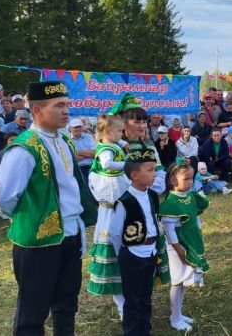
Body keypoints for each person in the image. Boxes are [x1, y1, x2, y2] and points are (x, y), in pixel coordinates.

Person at [0, 81, 98, 336]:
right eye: (59, 106)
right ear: (38, 111)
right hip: (38, 244)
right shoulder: (24, 147)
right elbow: (4, 199)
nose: (66, 111)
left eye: (67, 105)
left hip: (70, 235)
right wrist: (29, 220)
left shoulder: (64, 141)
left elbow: (72, 189)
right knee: (32, 311)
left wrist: (78, 229)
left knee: (66, 306)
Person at [110, 149, 169, 336]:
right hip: (133, 254)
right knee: (133, 299)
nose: (155, 174)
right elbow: (116, 233)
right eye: (150, 170)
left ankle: (145, 330)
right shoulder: (124, 202)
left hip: (150, 252)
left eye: (154, 169)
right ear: (134, 175)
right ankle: (132, 332)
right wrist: (124, 254)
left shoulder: (151, 195)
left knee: (145, 297)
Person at [87, 114, 130, 318]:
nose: (122, 134)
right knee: (112, 240)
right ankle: (122, 305)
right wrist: (127, 165)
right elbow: (107, 165)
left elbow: (120, 143)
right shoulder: (105, 150)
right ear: (106, 132)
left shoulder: (113, 144)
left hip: (118, 197)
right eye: (119, 131)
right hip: (110, 200)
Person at [160, 159, 210, 331]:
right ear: (173, 181)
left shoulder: (189, 196)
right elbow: (170, 231)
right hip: (178, 247)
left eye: (191, 178)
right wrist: (179, 250)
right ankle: (174, 318)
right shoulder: (170, 203)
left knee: (182, 282)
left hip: (190, 242)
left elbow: (196, 213)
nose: (190, 182)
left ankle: (178, 314)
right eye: (186, 179)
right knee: (177, 280)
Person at [114, 94, 167, 195]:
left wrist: (148, 190)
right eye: (137, 122)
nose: (142, 126)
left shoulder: (149, 145)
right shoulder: (115, 147)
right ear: (124, 124)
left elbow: (159, 171)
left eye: (144, 121)